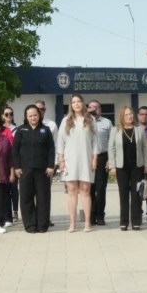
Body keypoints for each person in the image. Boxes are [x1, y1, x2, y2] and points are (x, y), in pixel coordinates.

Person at [56, 94, 98, 232]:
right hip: (70, 160)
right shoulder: (66, 120)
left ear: (83, 103)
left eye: (79, 101)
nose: (77, 104)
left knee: (85, 191)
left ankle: (87, 223)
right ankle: (72, 224)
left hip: (86, 159)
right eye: (74, 102)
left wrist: (95, 159)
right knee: (72, 191)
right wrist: (61, 160)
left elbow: (95, 141)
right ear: (71, 105)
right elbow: (60, 141)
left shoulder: (90, 119)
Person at [13, 104, 56, 232]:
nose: (33, 118)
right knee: (26, 198)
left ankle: (42, 225)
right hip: (25, 170)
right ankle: (30, 225)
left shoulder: (45, 130)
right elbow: (15, 150)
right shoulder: (21, 130)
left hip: (43, 170)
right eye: (30, 116)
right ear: (26, 117)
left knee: (43, 198)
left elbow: (51, 149)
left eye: (35, 115)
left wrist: (51, 165)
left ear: (39, 115)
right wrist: (17, 166)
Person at [107, 105, 147, 230]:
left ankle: (136, 221)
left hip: (137, 166)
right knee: (123, 194)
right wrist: (112, 166)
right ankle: (124, 221)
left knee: (136, 194)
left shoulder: (139, 129)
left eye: (131, 114)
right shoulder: (115, 130)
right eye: (126, 115)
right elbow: (111, 148)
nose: (129, 116)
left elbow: (145, 147)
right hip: (121, 167)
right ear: (122, 116)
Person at [87, 100, 114, 226]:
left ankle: (100, 216)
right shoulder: (84, 122)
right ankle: (91, 216)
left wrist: (110, 160)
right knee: (89, 188)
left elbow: (112, 142)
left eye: (96, 107)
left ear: (100, 109)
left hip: (103, 157)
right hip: (87, 158)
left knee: (101, 188)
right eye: (91, 107)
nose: (94, 109)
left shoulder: (107, 122)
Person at [1, 106, 20, 223]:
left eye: (11, 114)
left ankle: (15, 210)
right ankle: (5, 212)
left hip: (13, 161)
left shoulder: (16, 130)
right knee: (4, 189)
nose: (9, 116)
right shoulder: (0, 129)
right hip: (2, 162)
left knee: (14, 187)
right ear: (3, 116)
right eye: (6, 114)